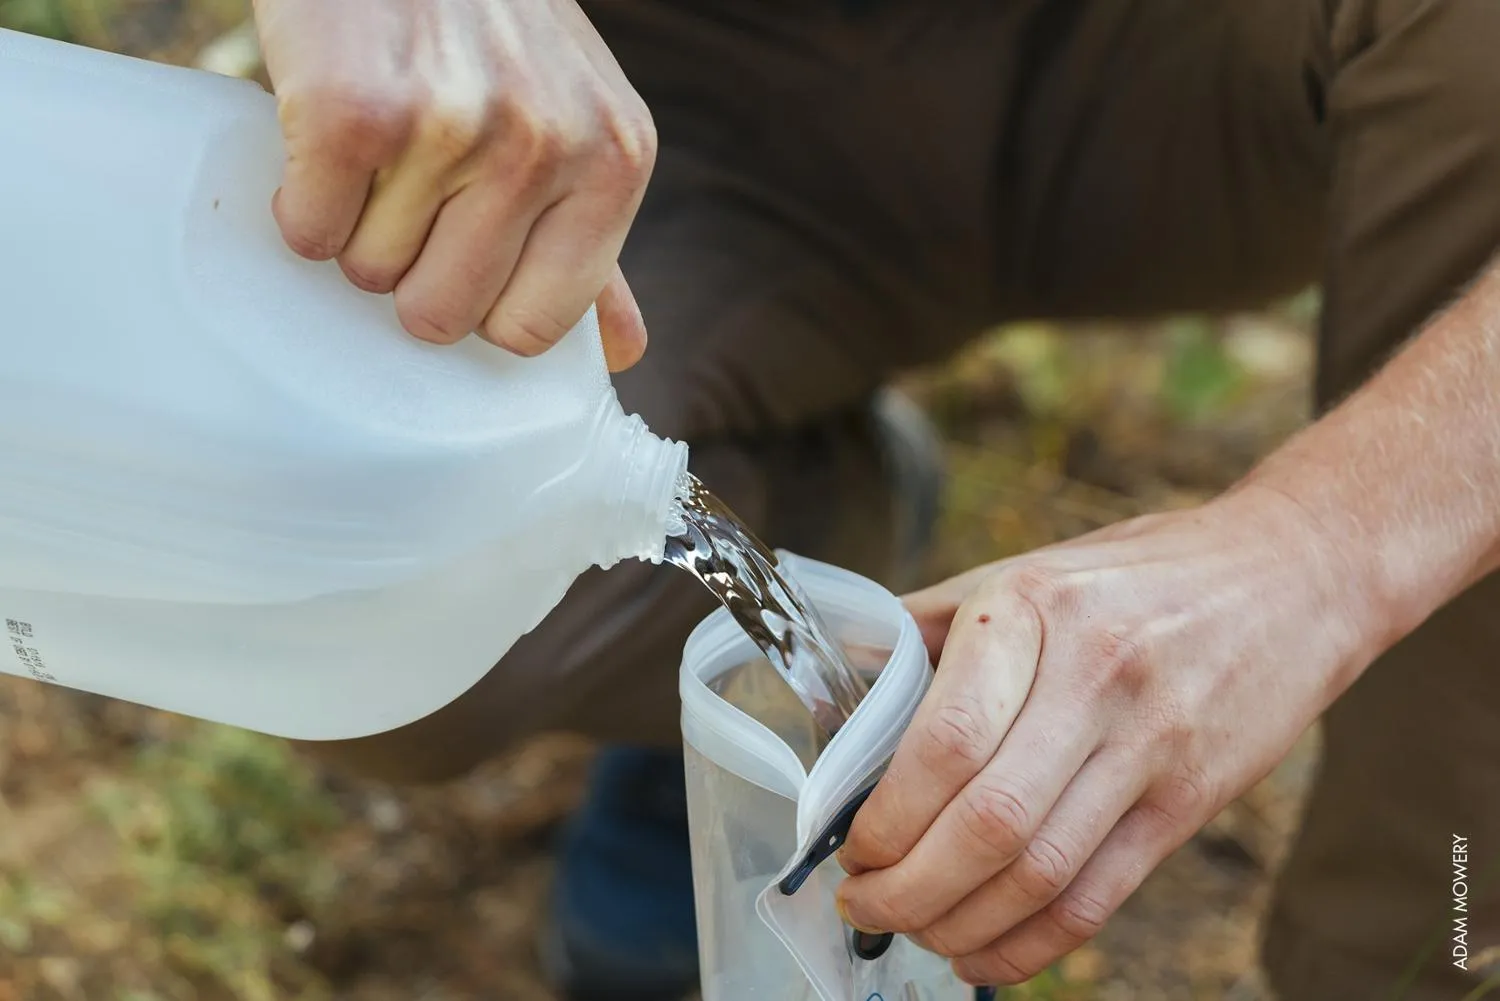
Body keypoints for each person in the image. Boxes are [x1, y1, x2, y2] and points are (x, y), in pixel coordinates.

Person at [248, 1, 1499, 998]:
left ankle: (1415, 956)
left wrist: (1322, 545)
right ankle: (771, 689)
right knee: (364, 572)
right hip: (656, 77)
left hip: (1186, 60)